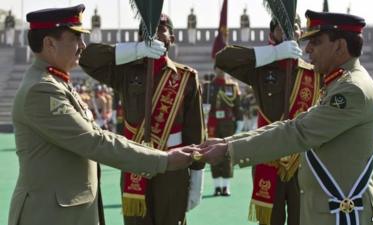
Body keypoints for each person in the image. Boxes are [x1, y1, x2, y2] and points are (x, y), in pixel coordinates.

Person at [8, 5, 196, 225]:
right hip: (50, 215)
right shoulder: (41, 90)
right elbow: (94, 141)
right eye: (76, 38)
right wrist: (164, 160)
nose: (82, 46)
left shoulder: (56, 82)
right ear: (50, 43)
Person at [200, 10, 373, 225]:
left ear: (340, 46)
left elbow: (298, 133)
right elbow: (295, 124)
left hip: (346, 214)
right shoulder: (340, 84)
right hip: (330, 210)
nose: (308, 49)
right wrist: (227, 142)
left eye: (316, 42)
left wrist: (228, 150)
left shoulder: (351, 90)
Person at [80, 13, 206, 225]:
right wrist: (134, 51)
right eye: (147, 31)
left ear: (171, 39)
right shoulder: (125, 72)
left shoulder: (186, 78)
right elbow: (86, 58)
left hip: (173, 166)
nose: (154, 34)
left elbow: (195, 131)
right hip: (135, 162)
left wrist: (197, 177)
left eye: (161, 28)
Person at [215, 16, 320, 225]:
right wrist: (273, 53)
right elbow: (223, 58)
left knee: (303, 218)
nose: (290, 31)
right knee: (271, 219)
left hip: (302, 160)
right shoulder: (261, 67)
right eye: (283, 27)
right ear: (272, 34)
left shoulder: (315, 74)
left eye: (295, 27)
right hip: (268, 155)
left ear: (301, 33)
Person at [202, 66, 243, 196]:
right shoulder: (209, 87)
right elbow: (202, 104)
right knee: (213, 152)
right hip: (213, 122)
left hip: (228, 123)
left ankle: (226, 186)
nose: (222, 71)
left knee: (227, 153)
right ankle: (217, 186)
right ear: (214, 70)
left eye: (224, 69)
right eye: (219, 69)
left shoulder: (232, 86)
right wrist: (204, 110)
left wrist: (240, 121)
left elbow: (237, 106)